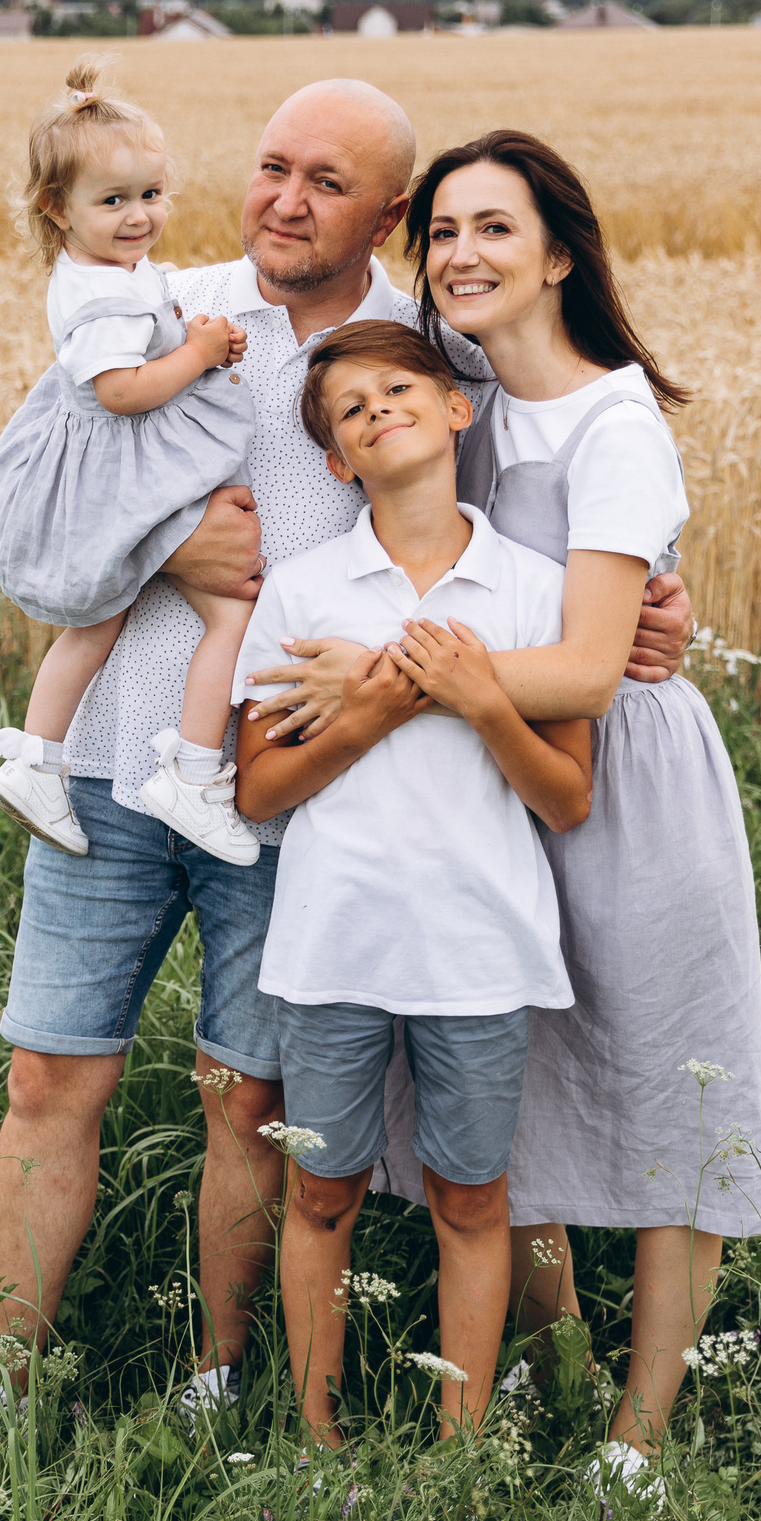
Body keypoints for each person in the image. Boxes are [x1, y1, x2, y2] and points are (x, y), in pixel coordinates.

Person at [0, 75, 695, 1432]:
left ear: (386, 216)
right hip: (117, 771)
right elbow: (22, 528)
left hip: (298, 796)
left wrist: (658, 602)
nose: (282, 202)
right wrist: (160, 546)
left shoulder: (432, 359)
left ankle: (219, 1373)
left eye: (324, 183)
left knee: (248, 1102)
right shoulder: (152, 309)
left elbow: (544, 535)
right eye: (269, 166)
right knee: (49, 1077)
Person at [254, 130, 761, 1494]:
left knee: (664, 1085)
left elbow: (595, 665)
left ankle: (636, 1434)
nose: (463, 256)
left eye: (496, 229)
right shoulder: (455, 390)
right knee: (520, 1091)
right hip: (482, 790)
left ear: (560, 254)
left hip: (625, 782)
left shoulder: (614, 422)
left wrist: (374, 681)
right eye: (442, 234)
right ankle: (551, 1360)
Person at [234, 320, 590, 1443]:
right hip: (333, 941)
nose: (379, 407)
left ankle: (461, 1444)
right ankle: (316, 1433)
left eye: (402, 386)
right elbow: (258, 791)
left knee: (472, 1199)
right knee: (321, 1192)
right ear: (338, 463)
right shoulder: (303, 590)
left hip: (480, 945)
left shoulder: (534, 593)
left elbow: (566, 797)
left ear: (455, 410)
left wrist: (482, 698)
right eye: (350, 409)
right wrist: (382, 705)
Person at [0, 56, 261, 866]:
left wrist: (199, 343)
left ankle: (37, 761)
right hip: (123, 468)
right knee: (228, 612)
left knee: (94, 622)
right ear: (55, 209)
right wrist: (201, 349)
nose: (140, 217)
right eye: (113, 201)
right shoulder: (100, 296)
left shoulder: (107, 272)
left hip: (113, 467)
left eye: (150, 194)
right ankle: (196, 771)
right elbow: (122, 392)